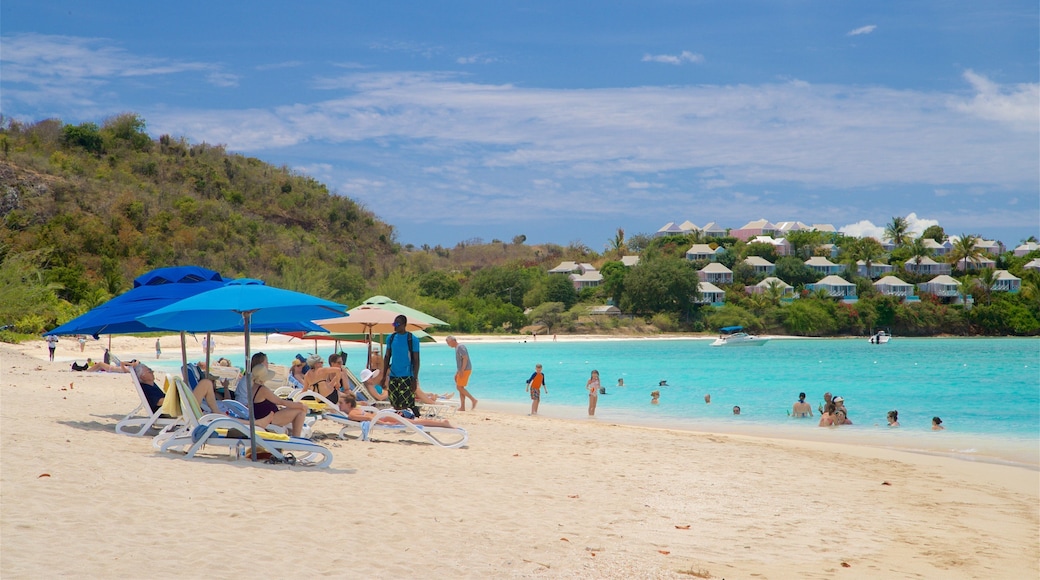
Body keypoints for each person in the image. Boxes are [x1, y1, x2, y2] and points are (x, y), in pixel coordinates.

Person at [132, 363, 221, 416]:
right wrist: (178, 396)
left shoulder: (151, 386)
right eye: (149, 371)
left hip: (177, 408)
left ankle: (215, 411)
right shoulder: (147, 388)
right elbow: (159, 402)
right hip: (177, 410)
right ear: (143, 376)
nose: (152, 372)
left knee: (206, 383)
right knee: (205, 383)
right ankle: (215, 411)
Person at [250, 363, 309, 437]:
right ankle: (297, 437)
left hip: (263, 416)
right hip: (270, 418)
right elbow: (281, 402)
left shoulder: (253, 388)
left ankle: (295, 436)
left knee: (297, 408)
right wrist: (300, 405)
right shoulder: (262, 390)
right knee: (301, 411)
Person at [341, 392, 455, 429]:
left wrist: (384, 423)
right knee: (414, 421)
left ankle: (443, 423)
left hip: (383, 417)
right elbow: (367, 412)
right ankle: (441, 423)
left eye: (341, 403)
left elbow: (368, 417)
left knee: (414, 422)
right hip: (383, 415)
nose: (339, 406)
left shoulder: (352, 414)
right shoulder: (356, 408)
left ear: (348, 404)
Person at [381, 314, 421, 417]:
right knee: (395, 403)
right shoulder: (391, 338)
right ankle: (399, 422)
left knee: (405, 404)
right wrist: (383, 376)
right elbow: (387, 357)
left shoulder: (412, 339)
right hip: (393, 375)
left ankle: (408, 422)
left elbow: (416, 360)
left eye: (397, 324)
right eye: (394, 323)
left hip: (407, 376)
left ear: (404, 325)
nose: (395, 326)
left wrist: (414, 379)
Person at [446, 336, 477, 411]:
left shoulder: (460, 347)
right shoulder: (457, 348)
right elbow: (460, 361)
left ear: (453, 341)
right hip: (462, 369)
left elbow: (465, 358)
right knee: (461, 387)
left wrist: (462, 370)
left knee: (459, 387)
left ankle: (473, 400)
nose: (448, 345)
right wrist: (457, 372)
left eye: (448, 343)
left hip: (465, 369)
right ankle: (462, 407)